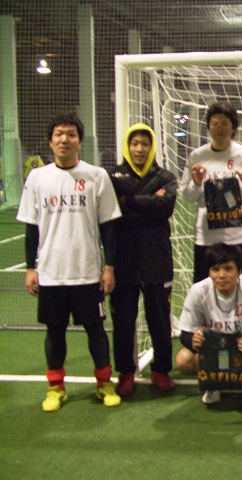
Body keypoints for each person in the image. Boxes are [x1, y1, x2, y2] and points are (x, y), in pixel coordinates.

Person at [17, 112, 122, 412]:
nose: (65, 139)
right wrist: (30, 268)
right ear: (51, 142)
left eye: (71, 134)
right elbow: (31, 228)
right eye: (59, 134)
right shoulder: (37, 178)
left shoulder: (96, 176)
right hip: (51, 273)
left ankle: (104, 383)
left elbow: (108, 227)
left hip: (88, 272)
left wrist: (109, 267)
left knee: (96, 330)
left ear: (80, 141)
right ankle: (55, 388)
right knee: (54, 331)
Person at [108, 123, 178, 396]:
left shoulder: (165, 176)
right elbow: (113, 211)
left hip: (157, 258)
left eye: (144, 144)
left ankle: (161, 370)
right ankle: (126, 372)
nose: (139, 149)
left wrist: (129, 201)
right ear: (128, 146)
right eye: (134, 143)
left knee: (160, 320)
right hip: (123, 260)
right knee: (124, 322)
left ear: (152, 147)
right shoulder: (112, 176)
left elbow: (166, 207)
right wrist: (149, 201)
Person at [175, 243, 242, 406]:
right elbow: (185, 333)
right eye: (215, 269)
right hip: (215, 354)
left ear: (239, 271)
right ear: (209, 272)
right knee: (183, 359)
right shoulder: (198, 291)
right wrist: (192, 340)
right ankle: (214, 383)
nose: (221, 275)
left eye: (228, 269)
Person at [179, 101, 242, 283]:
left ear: (233, 127)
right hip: (206, 237)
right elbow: (187, 196)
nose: (219, 128)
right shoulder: (197, 156)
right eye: (215, 123)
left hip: (238, 236)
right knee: (204, 290)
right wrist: (196, 184)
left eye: (225, 123)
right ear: (208, 126)